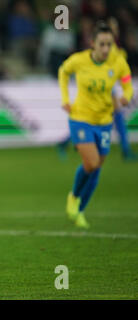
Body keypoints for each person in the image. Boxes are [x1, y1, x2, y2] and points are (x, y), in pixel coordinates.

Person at [58, 21, 133, 229]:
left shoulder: (118, 63)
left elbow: (127, 82)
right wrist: (65, 98)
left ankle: (80, 211)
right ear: (93, 43)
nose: (106, 49)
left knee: (96, 169)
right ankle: (73, 196)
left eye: (109, 44)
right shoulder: (79, 61)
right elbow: (63, 72)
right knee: (91, 163)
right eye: (102, 44)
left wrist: (126, 96)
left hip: (105, 122)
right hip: (80, 118)